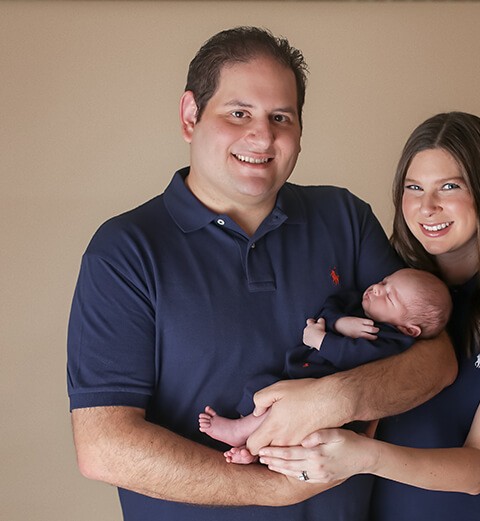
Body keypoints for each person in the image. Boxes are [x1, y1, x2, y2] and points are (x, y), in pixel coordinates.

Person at [66, 27, 456, 521]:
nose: (263, 135)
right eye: (238, 113)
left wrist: (329, 401)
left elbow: (436, 359)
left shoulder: (343, 217)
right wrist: (275, 490)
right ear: (190, 115)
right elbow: (104, 446)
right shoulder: (124, 252)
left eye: (280, 117)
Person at [257, 112, 480, 521]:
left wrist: (362, 456)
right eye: (414, 187)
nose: (427, 206)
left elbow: (477, 468)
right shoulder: (379, 285)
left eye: (450, 186)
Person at [198, 268, 452, 464]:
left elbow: (356, 357)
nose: (376, 289)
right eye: (384, 282)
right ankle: (250, 447)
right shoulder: (360, 307)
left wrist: (320, 340)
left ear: (408, 328)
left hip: (323, 396)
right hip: (300, 377)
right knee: (260, 387)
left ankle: (239, 431)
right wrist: (339, 323)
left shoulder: (391, 340)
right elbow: (332, 305)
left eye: (389, 296)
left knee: (281, 411)